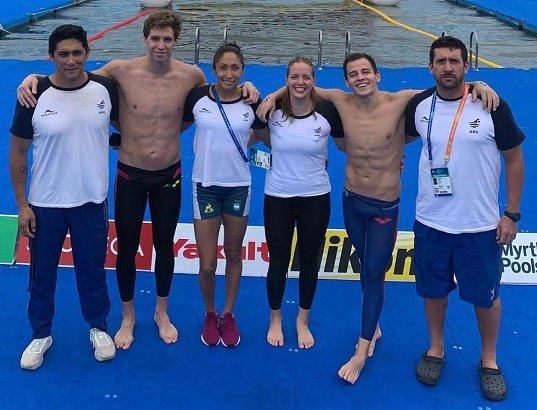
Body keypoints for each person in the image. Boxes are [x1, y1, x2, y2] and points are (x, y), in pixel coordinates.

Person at [17, 10, 258, 350]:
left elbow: (220, 93)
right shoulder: (119, 70)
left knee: (165, 245)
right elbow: (72, 75)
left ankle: (162, 311)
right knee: (127, 247)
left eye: (167, 39)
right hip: (130, 172)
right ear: (145, 39)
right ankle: (128, 316)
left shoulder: (191, 76)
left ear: (176, 42)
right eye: (155, 38)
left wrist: (248, 86)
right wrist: (34, 78)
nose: (161, 45)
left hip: (169, 173)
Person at [258, 52, 498, 383]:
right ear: (346, 80)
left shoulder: (400, 100)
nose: (360, 78)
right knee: (366, 265)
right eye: (353, 74)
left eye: (365, 72)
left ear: (378, 75)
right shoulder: (340, 100)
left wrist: (477, 84)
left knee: (373, 272)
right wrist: (271, 96)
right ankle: (375, 325)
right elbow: (300, 86)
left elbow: (446, 85)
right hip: (352, 200)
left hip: (384, 206)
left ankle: (361, 350)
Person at [405, 36, 524, 402]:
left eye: (454, 61)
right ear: (430, 67)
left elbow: (514, 159)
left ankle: (489, 359)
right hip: (431, 221)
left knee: (486, 298)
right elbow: (382, 117)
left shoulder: (490, 105)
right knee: (433, 290)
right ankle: (436, 347)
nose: (448, 67)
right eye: (440, 61)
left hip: (479, 225)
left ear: (466, 66)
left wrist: (511, 213)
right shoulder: (419, 105)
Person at [9, 24, 118, 370]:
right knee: (41, 275)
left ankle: (98, 327)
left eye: (77, 53)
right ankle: (41, 333)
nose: (71, 60)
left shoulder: (105, 89)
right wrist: (22, 205)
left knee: (92, 271)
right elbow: (18, 152)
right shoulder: (33, 94)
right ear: (51, 56)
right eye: (63, 54)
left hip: (90, 202)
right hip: (45, 205)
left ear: (87, 52)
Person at [254, 57, 344, 349]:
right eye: (294, 77)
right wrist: (270, 98)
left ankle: (302, 320)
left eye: (306, 77)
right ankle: (275, 318)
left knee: (309, 262)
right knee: (278, 261)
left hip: (315, 197)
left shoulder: (327, 112)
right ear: (287, 80)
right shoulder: (273, 110)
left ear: (314, 80)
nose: (300, 82)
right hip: (278, 196)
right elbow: (258, 138)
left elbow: (347, 145)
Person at [182, 43, 265, 347]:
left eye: (235, 68)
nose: (229, 74)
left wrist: (242, 141)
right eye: (223, 68)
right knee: (207, 263)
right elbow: (171, 126)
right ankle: (210, 312)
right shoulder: (197, 97)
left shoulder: (251, 101)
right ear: (214, 69)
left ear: (243, 70)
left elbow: (267, 136)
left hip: (238, 187)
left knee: (233, 253)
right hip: (205, 186)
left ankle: (228, 314)